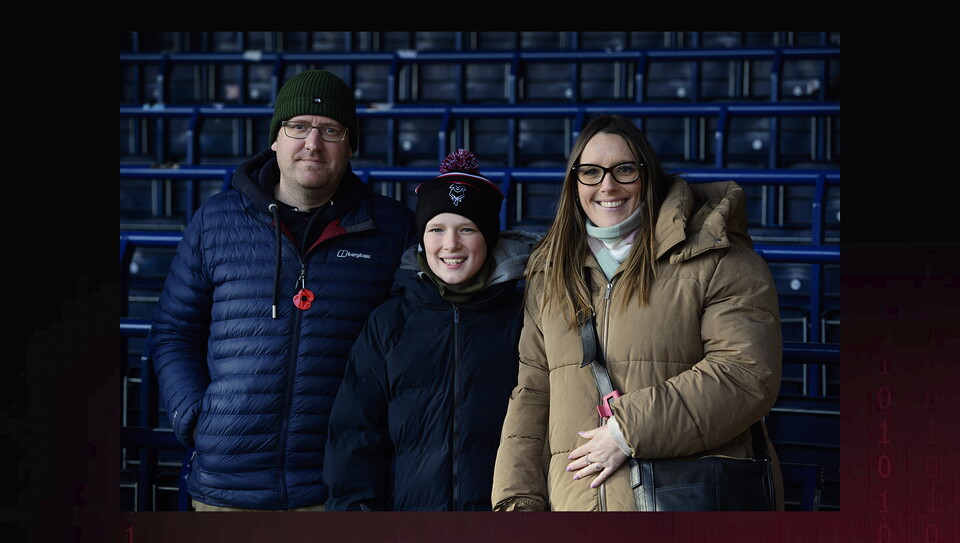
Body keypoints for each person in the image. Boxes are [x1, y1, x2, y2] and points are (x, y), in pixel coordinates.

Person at [150, 69, 417, 511]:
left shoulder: (392, 229)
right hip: (226, 490)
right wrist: (194, 416)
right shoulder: (216, 221)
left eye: (330, 130)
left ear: (350, 144)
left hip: (339, 492)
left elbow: (414, 346)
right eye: (298, 127)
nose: (313, 143)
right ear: (275, 138)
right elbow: (173, 332)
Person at [490, 114, 784, 511]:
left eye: (624, 170)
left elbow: (746, 373)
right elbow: (532, 392)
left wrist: (627, 431)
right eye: (591, 172)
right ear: (574, 183)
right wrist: (516, 503)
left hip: (686, 505)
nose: (607, 185)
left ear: (648, 174)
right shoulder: (551, 271)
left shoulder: (716, 256)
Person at [323, 150, 540, 511]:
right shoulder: (389, 322)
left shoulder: (525, 316)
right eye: (436, 229)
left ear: (487, 237)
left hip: (504, 520)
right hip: (410, 524)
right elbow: (355, 434)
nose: (450, 245)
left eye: (466, 229)